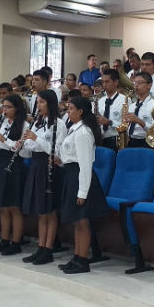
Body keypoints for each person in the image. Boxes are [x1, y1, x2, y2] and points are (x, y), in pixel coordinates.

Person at [58, 96, 110, 274]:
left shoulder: (83, 133)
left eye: (71, 108)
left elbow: (85, 165)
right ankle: (77, 256)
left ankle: (83, 260)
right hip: (71, 175)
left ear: (80, 111)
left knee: (82, 221)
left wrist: (82, 192)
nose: (68, 112)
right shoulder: (74, 129)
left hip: (80, 178)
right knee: (76, 221)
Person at [20, 90, 67, 264]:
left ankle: (49, 249)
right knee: (41, 211)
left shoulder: (59, 124)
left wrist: (36, 139)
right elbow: (28, 149)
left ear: (50, 103)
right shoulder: (38, 123)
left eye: (41, 102)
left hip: (51, 166)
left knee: (50, 210)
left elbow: (58, 151)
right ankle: (40, 247)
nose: (38, 106)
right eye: (37, 102)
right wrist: (23, 143)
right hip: (36, 165)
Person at [0, 95, 29, 255]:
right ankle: (4, 240)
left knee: (14, 207)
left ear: (17, 108)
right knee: (2, 206)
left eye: (8, 107)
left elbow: (23, 150)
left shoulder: (24, 125)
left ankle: (16, 242)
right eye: (4, 107)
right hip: (0, 163)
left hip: (15, 165)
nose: (5, 110)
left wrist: (5, 140)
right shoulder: (2, 122)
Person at [96, 69, 127, 150]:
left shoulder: (124, 100)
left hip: (116, 139)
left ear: (116, 82)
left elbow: (127, 124)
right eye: (103, 82)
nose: (104, 85)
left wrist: (109, 122)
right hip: (101, 139)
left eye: (107, 82)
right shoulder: (100, 101)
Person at [125, 72, 154, 148]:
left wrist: (139, 121)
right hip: (130, 141)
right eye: (135, 83)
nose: (136, 86)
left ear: (149, 85)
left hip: (146, 142)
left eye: (140, 83)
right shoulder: (132, 106)